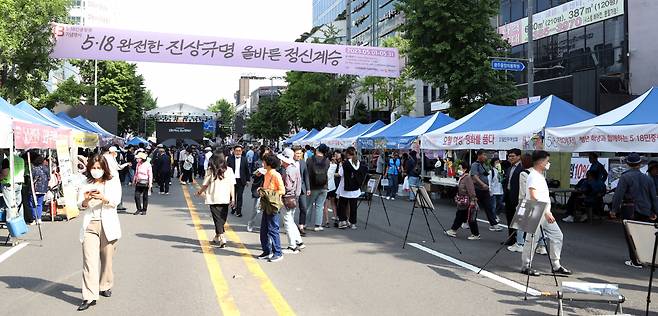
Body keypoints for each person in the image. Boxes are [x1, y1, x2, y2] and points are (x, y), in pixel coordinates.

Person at [76, 154, 122, 311]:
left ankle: (105, 285)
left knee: (107, 260)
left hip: (108, 224)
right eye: (93, 168)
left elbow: (116, 201)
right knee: (89, 262)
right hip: (90, 225)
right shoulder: (84, 182)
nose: (96, 171)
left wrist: (103, 198)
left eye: (99, 168)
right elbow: (79, 205)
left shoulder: (112, 181)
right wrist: (86, 200)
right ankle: (89, 296)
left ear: (104, 168)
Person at [520, 150, 572, 277]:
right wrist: (546, 212)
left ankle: (556, 265)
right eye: (547, 161)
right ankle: (526, 266)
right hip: (535, 211)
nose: (548, 163)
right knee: (531, 240)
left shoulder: (540, 175)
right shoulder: (533, 175)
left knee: (557, 236)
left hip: (544, 212)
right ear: (542, 162)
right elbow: (533, 196)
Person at [610, 153, 658, 268]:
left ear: (627, 164)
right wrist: (655, 212)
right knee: (644, 235)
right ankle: (646, 258)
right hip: (645, 211)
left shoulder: (625, 177)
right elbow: (653, 197)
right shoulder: (648, 179)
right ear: (640, 164)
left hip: (629, 209)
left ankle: (635, 261)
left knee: (631, 236)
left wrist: (614, 210)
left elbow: (618, 195)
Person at [196, 153, 235, 248]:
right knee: (221, 219)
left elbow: (205, 185)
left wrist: (199, 192)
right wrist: (233, 198)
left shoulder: (210, 170)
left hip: (213, 197)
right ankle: (218, 237)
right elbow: (232, 185)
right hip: (225, 197)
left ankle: (221, 237)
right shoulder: (229, 170)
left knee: (218, 219)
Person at [258, 154, 285, 262]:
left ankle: (278, 253)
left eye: (264, 161)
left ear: (269, 163)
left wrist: (268, 192)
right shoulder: (267, 173)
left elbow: (282, 190)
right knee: (264, 230)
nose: (262, 163)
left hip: (273, 205)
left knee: (273, 229)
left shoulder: (275, 175)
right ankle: (266, 251)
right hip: (266, 204)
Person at [278, 148, 305, 253]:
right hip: (294, 197)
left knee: (287, 222)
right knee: (291, 220)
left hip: (287, 198)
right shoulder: (295, 168)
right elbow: (298, 184)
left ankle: (292, 245)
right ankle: (299, 241)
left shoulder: (288, 170)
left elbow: (288, 187)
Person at [470, 149, 503, 232]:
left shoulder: (484, 165)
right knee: (473, 208)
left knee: (489, 207)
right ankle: (468, 222)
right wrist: (482, 184)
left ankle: (494, 224)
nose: (485, 157)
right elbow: (474, 176)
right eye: (484, 155)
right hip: (477, 189)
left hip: (485, 190)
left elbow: (487, 175)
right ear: (479, 155)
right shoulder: (475, 165)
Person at [446, 161, 480, 240]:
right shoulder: (462, 177)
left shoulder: (467, 178)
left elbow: (471, 190)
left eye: (460, 168)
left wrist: (473, 199)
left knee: (468, 217)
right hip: (463, 200)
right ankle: (453, 230)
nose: (458, 169)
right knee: (461, 215)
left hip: (467, 200)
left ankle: (475, 234)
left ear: (465, 169)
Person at [508, 153, 535, 253]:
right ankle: (541, 246)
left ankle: (519, 243)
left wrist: (519, 204)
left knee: (520, 224)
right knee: (536, 225)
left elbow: (523, 192)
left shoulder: (523, 173)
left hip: (525, 201)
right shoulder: (536, 173)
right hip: (536, 201)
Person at [337, 147, 366, 229]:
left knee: (342, 205)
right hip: (355, 188)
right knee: (353, 207)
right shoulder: (359, 163)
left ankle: (343, 221)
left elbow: (340, 174)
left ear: (347, 154)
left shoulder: (345, 163)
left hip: (345, 188)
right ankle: (353, 223)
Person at [306, 144, 330, 231]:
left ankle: (305, 223)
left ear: (317, 149)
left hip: (312, 186)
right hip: (324, 186)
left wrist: (307, 187)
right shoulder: (327, 161)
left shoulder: (310, 159)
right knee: (319, 206)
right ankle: (318, 225)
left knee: (308, 205)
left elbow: (307, 173)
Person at [247, 146, 271, 232]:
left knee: (267, 209)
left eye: (268, 154)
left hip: (269, 188)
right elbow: (253, 174)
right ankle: (251, 222)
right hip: (259, 187)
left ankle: (265, 226)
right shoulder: (258, 162)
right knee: (256, 208)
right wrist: (257, 174)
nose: (266, 155)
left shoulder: (272, 164)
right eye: (265, 153)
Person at [503, 148, 523, 246]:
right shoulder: (509, 168)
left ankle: (519, 240)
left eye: (512, 156)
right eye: (509, 156)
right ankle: (511, 239)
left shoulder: (522, 168)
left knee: (518, 220)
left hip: (517, 197)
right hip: (508, 196)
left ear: (519, 157)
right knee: (510, 219)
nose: (510, 158)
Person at [103, 146, 129, 211]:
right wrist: (126, 164)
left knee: (108, 190)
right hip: (113, 177)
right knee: (115, 191)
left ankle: (111, 203)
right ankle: (115, 204)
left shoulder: (105, 157)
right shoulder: (110, 158)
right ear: (113, 152)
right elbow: (118, 167)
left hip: (108, 177)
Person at [293, 146, 311, 235]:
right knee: (291, 208)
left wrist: (308, 188)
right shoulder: (289, 162)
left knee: (303, 208)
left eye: (300, 153)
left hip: (302, 188)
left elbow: (306, 176)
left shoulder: (303, 162)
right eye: (297, 153)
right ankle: (290, 225)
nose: (299, 155)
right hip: (292, 189)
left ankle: (301, 225)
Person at [227, 144, 250, 217]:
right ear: (233, 151)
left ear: (242, 151)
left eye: (239, 151)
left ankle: (238, 211)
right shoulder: (230, 158)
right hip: (232, 180)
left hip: (241, 180)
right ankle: (233, 208)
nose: (238, 152)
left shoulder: (244, 159)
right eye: (236, 151)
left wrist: (248, 180)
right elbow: (227, 169)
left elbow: (247, 170)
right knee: (232, 195)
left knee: (240, 196)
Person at [28, 153, 49, 225]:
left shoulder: (33, 169)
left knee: (33, 204)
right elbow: (49, 178)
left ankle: (34, 219)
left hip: (34, 188)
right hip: (43, 189)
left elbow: (30, 179)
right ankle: (39, 219)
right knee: (40, 204)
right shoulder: (46, 168)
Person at [324, 151, 341, 227]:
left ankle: (327, 221)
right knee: (333, 203)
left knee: (326, 205)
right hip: (333, 186)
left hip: (326, 186)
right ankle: (336, 218)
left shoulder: (325, 165)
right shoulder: (335, 165)